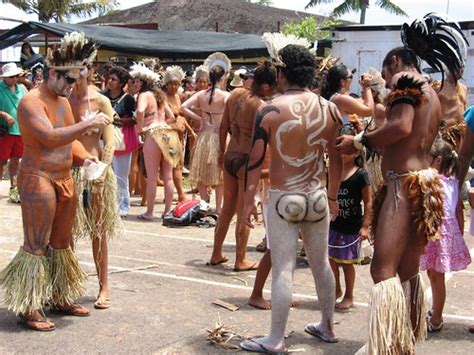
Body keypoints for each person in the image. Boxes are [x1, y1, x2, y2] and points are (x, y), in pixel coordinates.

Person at [336, 14, 467, 354]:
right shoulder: (433, 93)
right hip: (425, 184)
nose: (388, 80)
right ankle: (404, 341)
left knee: (382, 269)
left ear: (394, 62)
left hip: (403, 185)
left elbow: (401, 127)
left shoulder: (406, 80)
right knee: (408, 271)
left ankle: (388, 346)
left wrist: (361, 140)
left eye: (386, 71)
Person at [0, 31, 111, 331]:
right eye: (68, 80)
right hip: (38, 178)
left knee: (61, 243)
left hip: (64, 179)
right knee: (36, 244)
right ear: (51, 74)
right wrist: (87, 123)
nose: (72, 86)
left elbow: (68, 141)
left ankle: (59, 295)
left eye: (76, 80)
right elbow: (49, 138)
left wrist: (85, 159)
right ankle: (29, 305)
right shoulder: (30, 103)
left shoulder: (63, 101)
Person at [240, 34, 343, 352]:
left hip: (285, 198)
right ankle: (327, 326)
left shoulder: (271, 110)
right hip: (317, 197)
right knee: (321, 264)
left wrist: (248, 204)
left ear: (282, 74)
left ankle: (275, 339)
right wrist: (334, 196)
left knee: (283, 267)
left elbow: (254, 163)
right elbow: (337, 159)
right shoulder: (330, 110)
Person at [209, 61, 277, 271]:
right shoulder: (262, 107)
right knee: (243, 211)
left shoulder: (235, 94)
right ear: (266, 86)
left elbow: (223, 127)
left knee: (227, 208)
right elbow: (264, 143)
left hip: (231, 155)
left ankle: (216, 253)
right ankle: (240, 259)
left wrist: (221, 152)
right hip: (247, 161)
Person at [68, 57, 121, 310]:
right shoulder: (63, 100)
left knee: (97, 232)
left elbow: (109, 141)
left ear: (91, 70)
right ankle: (65, 286)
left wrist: (102, 172)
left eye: (83, 66)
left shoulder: (101, 101)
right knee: (65, 234)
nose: (79, 71)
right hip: (68, 172)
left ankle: (104, 287)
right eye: (74, 67)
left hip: (95, 174)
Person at [420, 138, 471, 332]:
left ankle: (437, 318)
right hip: (440, 234)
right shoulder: (452, 182)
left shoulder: (431, 180)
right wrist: (457, 234)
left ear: (438, 160)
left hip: (436, 234)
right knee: (433, 274)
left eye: (428, 156)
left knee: (436, 276)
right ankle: (436, 313)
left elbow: (456, 209)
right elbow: (458, 211)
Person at [181, 52, 231, 213]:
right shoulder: (225, 95)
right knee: (219, 175)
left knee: (202, 172)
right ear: (222, 77)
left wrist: (200, 118)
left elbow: (183, 107)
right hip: (220, 136)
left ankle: (204, 204)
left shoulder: (201, 94)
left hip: (204, 136)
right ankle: (219, 207)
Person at [132, 63, 180, 220]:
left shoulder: (144, 96)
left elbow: (140, 111)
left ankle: (150, 212)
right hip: (168, 132)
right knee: (168, 176)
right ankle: (167, 211)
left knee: (152, 177)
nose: (135, 83)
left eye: (138, 81)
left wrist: (140, 128)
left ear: (144, 82)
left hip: (153, 134)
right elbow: (172, 116)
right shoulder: (160, 96)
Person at [329, 137, 372, 311]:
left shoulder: (361, 174)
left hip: (351, 226)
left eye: (345, 150)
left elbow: (369, 201)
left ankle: (349, 295)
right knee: (330, 259)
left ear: (355, 153)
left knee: (347, 263)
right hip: (333, 224)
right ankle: (336, 288)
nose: (342, 153)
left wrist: (365, 226)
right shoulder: (332, 171)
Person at [102, 66, 139, 218]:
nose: (110, 81)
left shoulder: (129, 99)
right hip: (103, 138)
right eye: (109, 78)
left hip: (121, 138)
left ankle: (122, 206)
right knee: (104, 172)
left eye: (114, 79)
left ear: (122, 82)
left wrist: (118, 120)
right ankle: (106, 204)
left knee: (121, 175)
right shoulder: (102, 96)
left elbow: (133, 120)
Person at [163, 65, 195, 202]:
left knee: (178, 165)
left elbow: (181, 117)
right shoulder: (163, 98)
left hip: (180, 137)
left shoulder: (178, 97)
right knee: (174, 166)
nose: (174, 87)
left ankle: (170, 194)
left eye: (176, 84)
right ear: (166, 84)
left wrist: (190, 130)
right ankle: (181, 194)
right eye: (171, 84)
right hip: (168, 136)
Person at [0, 62, 28, 202]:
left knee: (16, 160)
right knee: (1, 160)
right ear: (5, 77)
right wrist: (4, 114)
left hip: (20, 130)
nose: (14, 79)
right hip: (4, 132)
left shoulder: (22, 89)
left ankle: (14, 188)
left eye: (16, 76)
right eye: (11, 76)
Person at [437, 70, 468, 150]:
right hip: (443, 135)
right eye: (456, 68)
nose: (460, 71)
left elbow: (465, 110)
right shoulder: (437, 86)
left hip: (460, 135)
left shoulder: (464, 88)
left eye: (462, 68)